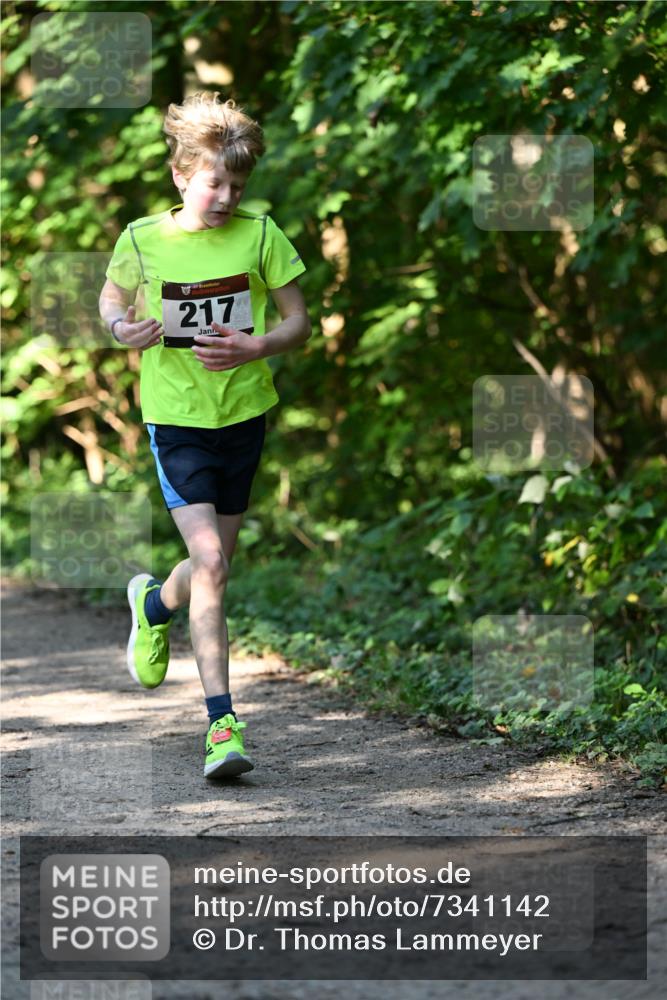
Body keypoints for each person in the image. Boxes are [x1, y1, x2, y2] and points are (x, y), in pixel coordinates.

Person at [98, 91, 310, 778]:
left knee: (214, 566)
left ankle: (154, 603)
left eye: (237, 185)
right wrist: (121, 328)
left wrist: (258, 348)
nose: (225, 196)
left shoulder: (260, 234)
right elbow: (111, 300)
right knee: (213, 564)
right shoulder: (141, 239)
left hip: (243, 415)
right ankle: (222, 724)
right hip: (175, 421)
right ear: (181, 173)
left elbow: (296, 323)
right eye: (215, 181)